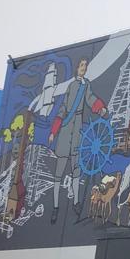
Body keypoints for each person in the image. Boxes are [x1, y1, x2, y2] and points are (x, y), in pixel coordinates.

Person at [48, 57, 107, 223]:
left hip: (77, 131)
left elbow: (90, 98)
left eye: (85, 66)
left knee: (76, 169)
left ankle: (76, 202)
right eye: (81, 65)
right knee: (59, 171)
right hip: (66, 130)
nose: (84, 68)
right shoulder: (71, 86)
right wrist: (53, 131)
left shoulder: (85, 85)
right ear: (77, 68)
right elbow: (63, 108)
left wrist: (100, 108)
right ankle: (55, 206)